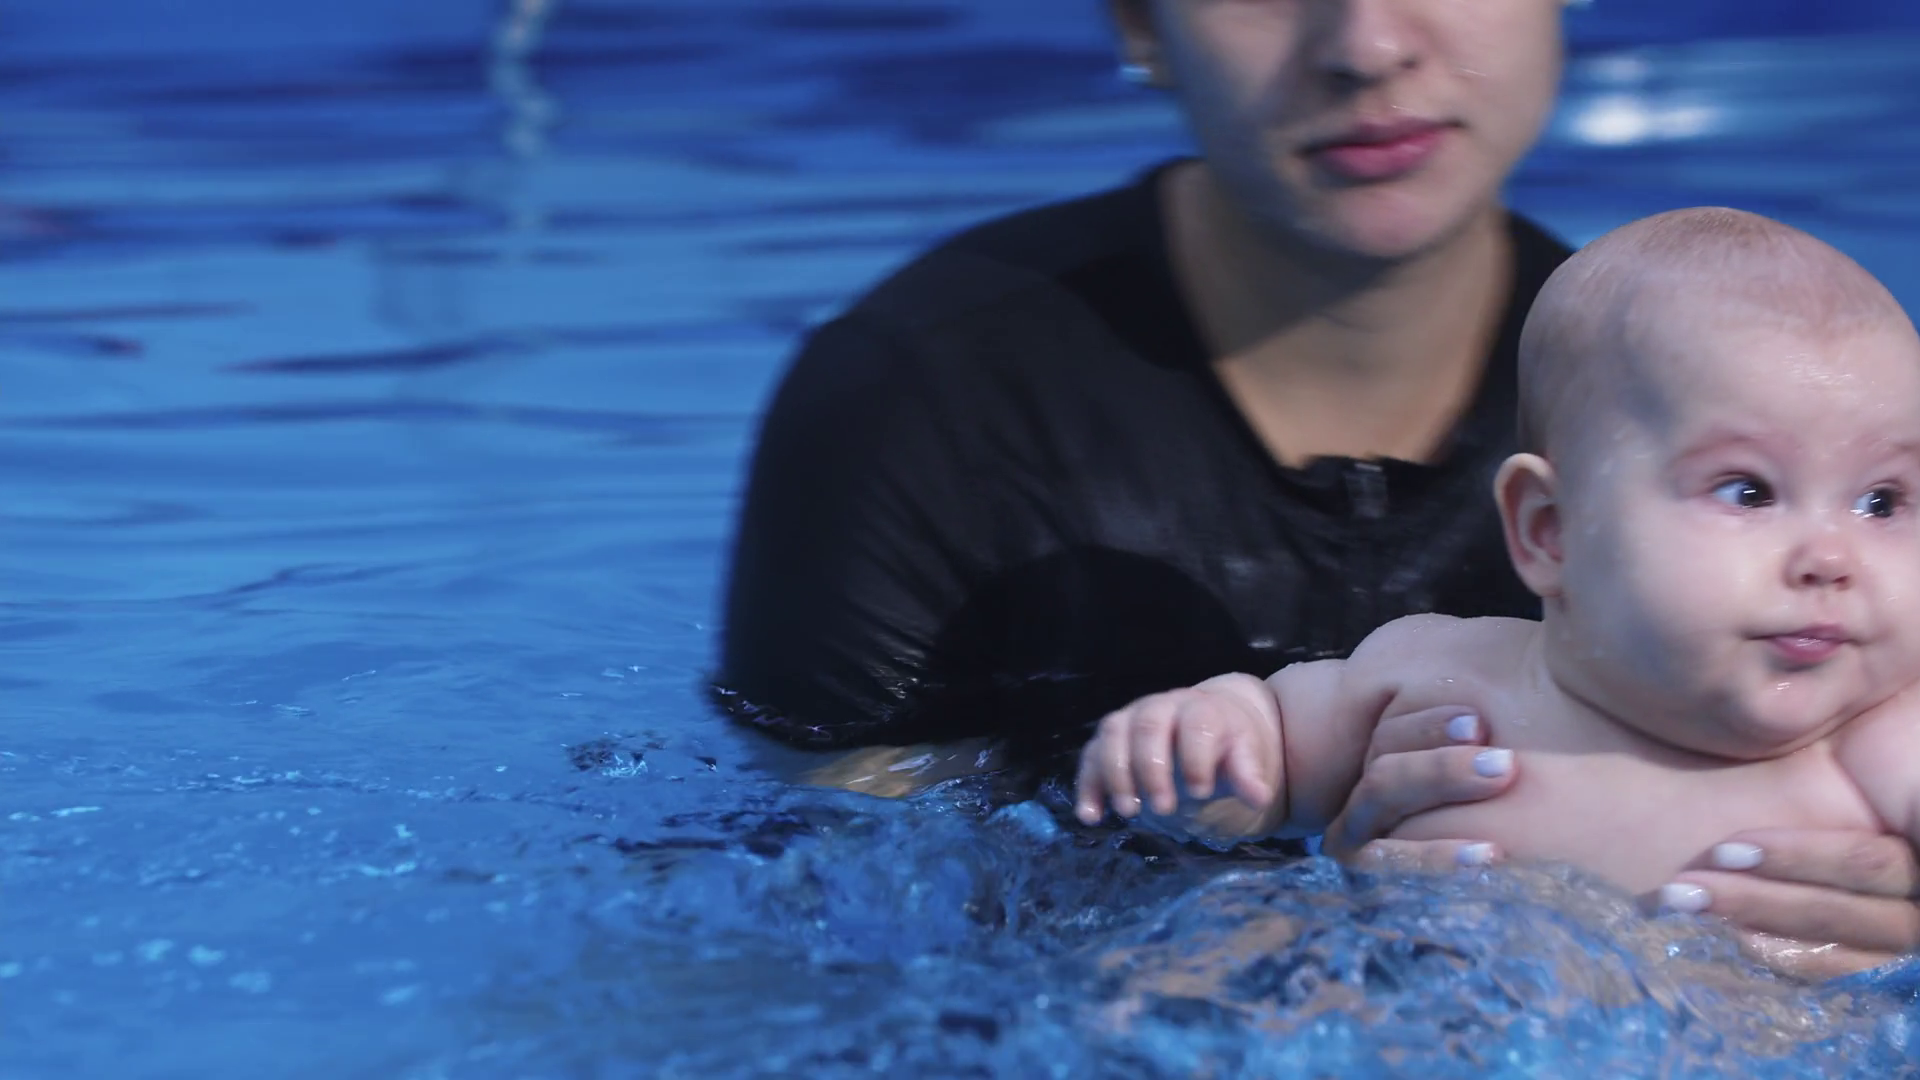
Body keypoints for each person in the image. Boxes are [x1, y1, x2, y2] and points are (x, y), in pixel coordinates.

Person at [714, 0, 1920, 977]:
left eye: (1883, 503)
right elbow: (831, 919)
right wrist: (1272, 907)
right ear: (1139, 20)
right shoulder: (924, 405)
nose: (1368, 44)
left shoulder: (1693, 393)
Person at [1076, 207, 1920, 916]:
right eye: (1748, 492)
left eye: (1882, 501)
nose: (1831, 557)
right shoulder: (1441, 677)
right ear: (1551, 530)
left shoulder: (1888, 744)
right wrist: (1200, 748)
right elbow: (1261, 762)